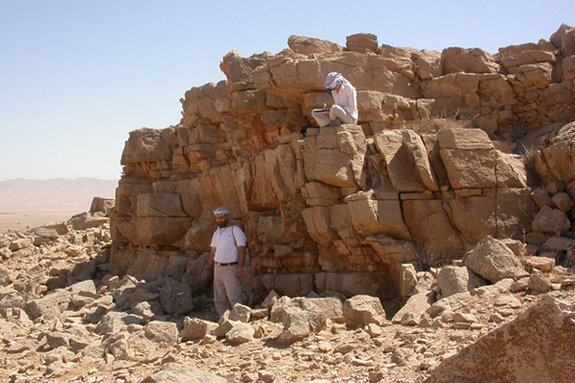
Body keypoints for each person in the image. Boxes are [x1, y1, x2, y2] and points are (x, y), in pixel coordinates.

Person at [202, 206, 247, 317]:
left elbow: (242, 249)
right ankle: (224, 321)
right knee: (220, 299)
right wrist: (208, 269)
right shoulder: (217, 233)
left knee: (233, 296)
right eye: (217, 218)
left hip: (230, 268)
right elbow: (213, 252)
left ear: (227, 217)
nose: (219, 220)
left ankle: (241, 320)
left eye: (221, 218)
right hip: (218, 268)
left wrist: (240, 268)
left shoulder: (235, 230)